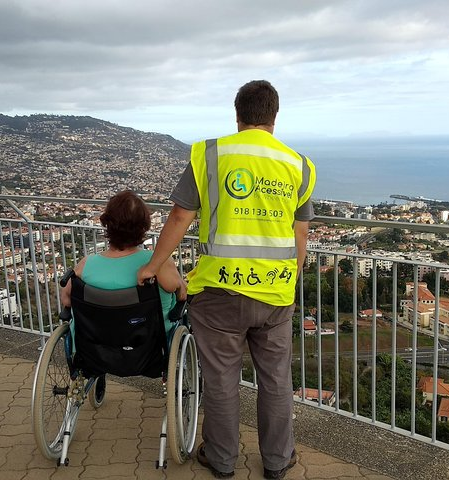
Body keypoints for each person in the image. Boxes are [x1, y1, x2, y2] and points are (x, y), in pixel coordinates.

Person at [138, 80, 316, 479]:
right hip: (275, 292)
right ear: (274, 116)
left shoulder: (211, 154)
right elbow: (300, 234)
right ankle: (277, 460)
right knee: (275, 381)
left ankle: (220, 460)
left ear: (237, 116)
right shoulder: (298, 164)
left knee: (221, 381)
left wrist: (154, 264)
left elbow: (181, 216)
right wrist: (290, 276)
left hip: (218, 291)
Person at [60, 190, 186, 336]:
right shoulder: (158, 264)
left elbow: (66, 300)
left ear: (107, 224)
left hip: (94, 348)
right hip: (150, 348)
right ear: (144, 227)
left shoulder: (85, 265)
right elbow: (182, 295)